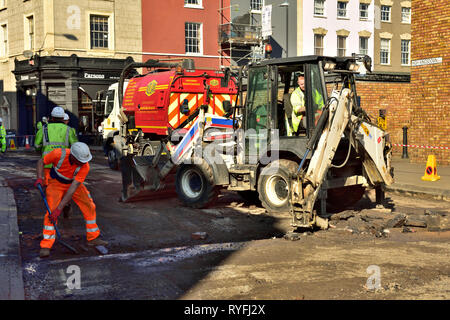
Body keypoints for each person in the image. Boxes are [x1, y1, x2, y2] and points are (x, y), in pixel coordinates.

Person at [35, 142, 107, 258]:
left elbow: (73, 189)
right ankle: (46, 245)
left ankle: (93, 237)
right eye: (80, 161)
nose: (83, 163)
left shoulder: (85, 166)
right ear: (73, 156)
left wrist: (60, 209)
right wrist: (39, 177)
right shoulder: (58, 154)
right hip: (56, 183)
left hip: (73, 185)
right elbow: (41, 162)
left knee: (89, 206)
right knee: (51, 212)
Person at [34, 107, 78, 185]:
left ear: (52, 117)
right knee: (62, 185)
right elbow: (75, 147)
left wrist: (42, 149)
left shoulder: (44, 129)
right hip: (63, 164)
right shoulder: (69, 130)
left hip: (47, 163)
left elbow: (37, 145)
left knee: (49, 187)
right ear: (62, 117)